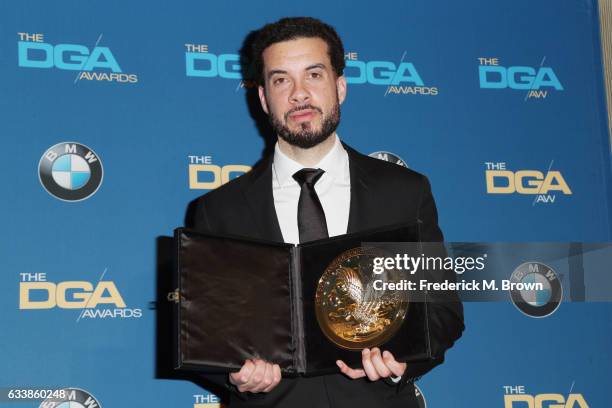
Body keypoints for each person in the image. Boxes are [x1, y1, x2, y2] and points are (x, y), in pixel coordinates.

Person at [187, 16, 464, 408]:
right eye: (281, 80)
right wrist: (234, 373)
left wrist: (401, 360)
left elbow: (443, 312)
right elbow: (208, 330)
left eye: (313, 75)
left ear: (340, 87)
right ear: (264, 98)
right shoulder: (219, 211)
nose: (299, 94)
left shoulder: (403, 192)